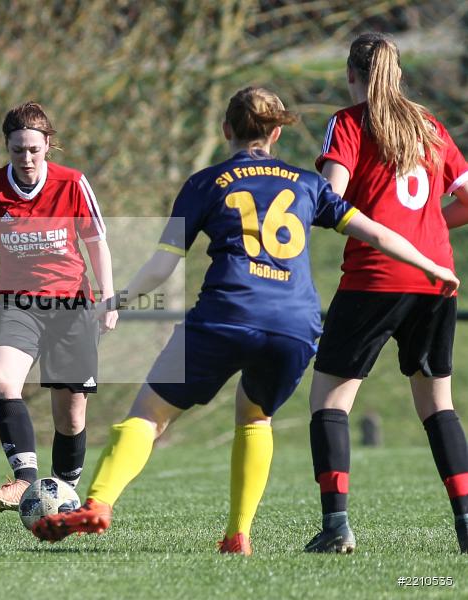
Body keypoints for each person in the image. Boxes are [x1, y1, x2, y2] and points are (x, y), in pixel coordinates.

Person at [30, 87, 459, 555]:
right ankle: (238, 535)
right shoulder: (308, 184)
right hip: (295, 327)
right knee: (256, 417)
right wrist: (431, 265)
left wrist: (115, 300)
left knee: (151, 414)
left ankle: (99, 503)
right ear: (277, 132)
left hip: (227, 314)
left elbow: (162, 265)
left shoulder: (204, 183)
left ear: (225, 129)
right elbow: (375, 231)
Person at [303, 32, 468, 554]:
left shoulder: (349, 122)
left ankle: (336, 526)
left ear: (351, 74)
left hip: (376, 276)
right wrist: (427, 232)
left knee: (329, 400)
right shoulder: (431, 125)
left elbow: (329, 195)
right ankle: (466, 523)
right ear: (397, 74)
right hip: (435, 277)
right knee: (437, 403)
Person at [0, 101, 118, 510]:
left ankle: (64, 499)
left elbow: (97, 244)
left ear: (48, 145)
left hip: (71, 305)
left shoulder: (72, 183)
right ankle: (23, 481)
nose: (26, 158)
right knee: (3, 380)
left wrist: (108, 297)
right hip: (16, 303)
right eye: (17, 150)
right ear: (6, 148)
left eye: (33, 149)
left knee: (71, 417)